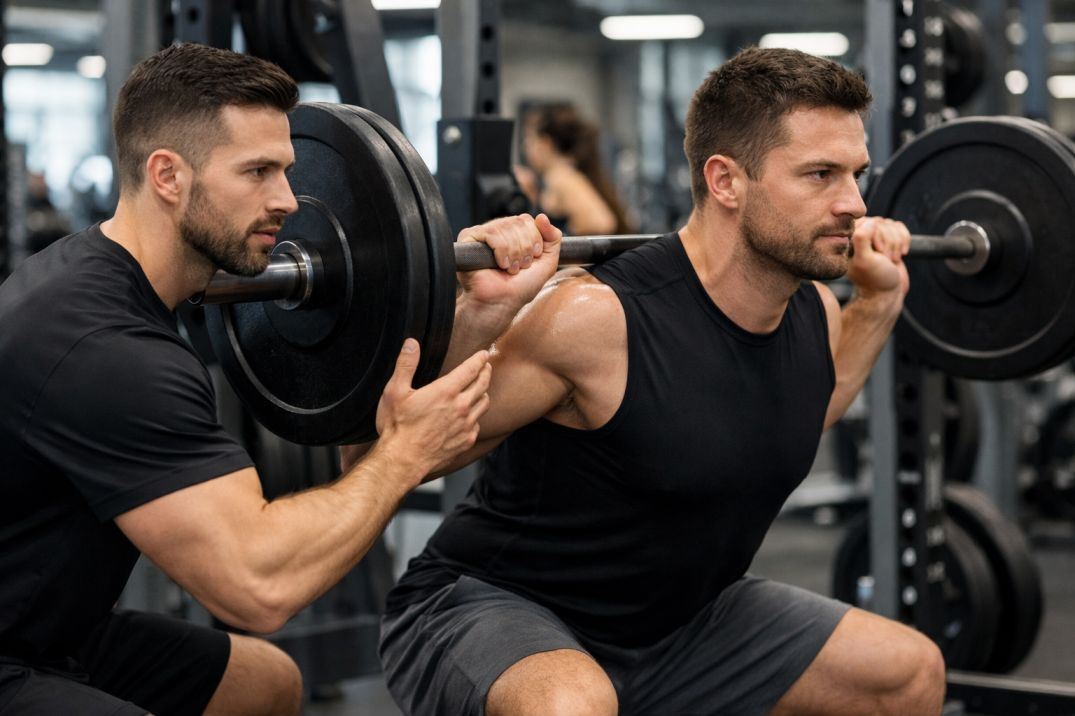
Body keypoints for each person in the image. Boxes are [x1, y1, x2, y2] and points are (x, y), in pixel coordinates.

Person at [376, 47, 947, 715]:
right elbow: (395, 455)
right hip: (499, 605)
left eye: (856, 173)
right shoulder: (593, 321)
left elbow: (795, 411)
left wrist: (876, 305)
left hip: (684, 622)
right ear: (726, 181)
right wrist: (476, 313)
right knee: (569, 706)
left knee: (905, 672)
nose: (852, 203)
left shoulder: (813, 309)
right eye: (819, 174)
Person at [0, 43, 551, 716]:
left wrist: (479, 309)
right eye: (257, 171)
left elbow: (367, 432)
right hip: (14, 650)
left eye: (289, 170)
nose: (289, 200)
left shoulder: (101, 276)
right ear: (168, 176)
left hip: (46, 627)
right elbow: (255, 586)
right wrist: (408, 454)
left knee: (263, 682)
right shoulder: (109, 350)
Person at [514, 104, 633, 235]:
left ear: (545, 143)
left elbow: (600, 223)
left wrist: (569, 250)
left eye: (529, 139)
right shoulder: (558, 175)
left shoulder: (561, 176)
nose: (524, 146)